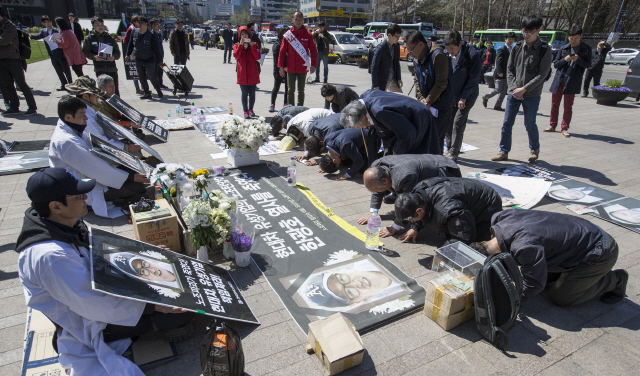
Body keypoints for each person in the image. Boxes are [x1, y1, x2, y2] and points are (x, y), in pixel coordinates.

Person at [16, 167, 195, 375]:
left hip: (97, 293)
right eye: (79, 195)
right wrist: (152, 306)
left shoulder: (61, 221)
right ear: (56, 206)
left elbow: (100, 246)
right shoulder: (51, 257)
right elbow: (93, 304)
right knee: (180, 312)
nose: (86, 197)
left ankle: (146, 322)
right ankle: (145, 329)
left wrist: (143, 252)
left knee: (172, 278)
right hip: (85, 320)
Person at [470, 210, 628, 307]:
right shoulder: (499, 218)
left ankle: (614, 280)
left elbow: (533, 285)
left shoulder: (524, 247)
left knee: (561, 297)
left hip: (599, 250)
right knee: (541, 275)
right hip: (580, 233)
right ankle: (571, 274)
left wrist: (508, 299)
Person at [49, 95, 149, 217]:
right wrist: (131, 177)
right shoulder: (66, 142)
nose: (86, 118)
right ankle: (97, 202)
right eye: (82, 115)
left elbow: (97, 149)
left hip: (94, 171)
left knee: (137, 168)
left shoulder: (71, 126)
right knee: (136, 186)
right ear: (69, 117)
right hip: (81, 183)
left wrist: (125, 160)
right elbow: (94, 168)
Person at [357, 154, 461, 241]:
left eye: (377, 189)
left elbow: (410, 203)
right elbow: (376, 191)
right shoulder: (375, 168)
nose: (376, 192)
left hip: (445, 170)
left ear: (385, 180)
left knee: (437, 206)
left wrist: (394, 228)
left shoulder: (404, 177)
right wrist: (373, 214)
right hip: (425, 166)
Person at [492, 15, 552, 163]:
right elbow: (510, 69)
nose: (526, 35)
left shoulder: (544, 49)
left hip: (531, 94)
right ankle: (503, 151)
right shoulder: (518, 47)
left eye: (530, 32)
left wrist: (524, 89)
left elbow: (542, 74)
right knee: (507, 123)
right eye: (524, 31)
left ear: (538, 30)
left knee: (530, 123)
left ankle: (534, 149)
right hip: (514, 93)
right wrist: (513, 88)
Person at [394, 177, 502, 244]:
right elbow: (420, 210)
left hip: (487, 203)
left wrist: (442, 255)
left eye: (412, 219)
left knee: (478, 246)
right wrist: (415, 227)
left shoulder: (448, 209)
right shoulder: (417, 194)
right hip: (463, 197)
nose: (411, 222)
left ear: (419, 210)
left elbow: (464, 236)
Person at [343, 89, 440, 155]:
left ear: (363, 117)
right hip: (407, 117)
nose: (357, 128)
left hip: (419, 117)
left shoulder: (380, 112)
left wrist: (398, 150)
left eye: (356, 125)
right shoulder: (364, 98)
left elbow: (408, 133)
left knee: (419, 152)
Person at [65, 76, 142, 153]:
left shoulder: (89, 110)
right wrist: (126, 147)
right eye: (95, 94)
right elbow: (100, 141)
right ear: (85, 96)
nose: (97, 97)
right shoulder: (86, 117)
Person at [406, 31, 454, 154]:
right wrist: (422, 98)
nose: (410, 54)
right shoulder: (418, 58)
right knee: (424, 139)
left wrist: (428, 100)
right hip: (425, 104)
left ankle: (437, 168)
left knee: (436, 141)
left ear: (421, 44)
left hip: (440, 106)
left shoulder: (438, 56)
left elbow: (441, 83)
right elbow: (417, 79)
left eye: (411, 50)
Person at [545, 24, 591, 138]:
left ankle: (564, 128)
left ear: (581, 36)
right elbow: (555, 64)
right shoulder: (563, 48)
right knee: (554, 104)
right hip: (559, 80)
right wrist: (565, 59)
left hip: (572, 81)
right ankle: (552, 125)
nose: (573, 41)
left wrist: (578, 59)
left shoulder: (586, 49)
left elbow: (588, 64)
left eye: (576, 38)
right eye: (571, 38)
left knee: (568, 106)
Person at [442, 30, 481, 161]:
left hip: (468, 95)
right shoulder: (446, 55)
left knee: (458, 122)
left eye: (452, 49)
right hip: (452, 94)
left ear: (459, 44)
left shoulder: (472, 54)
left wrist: (464, 97)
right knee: (448, 121)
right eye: (448, 49)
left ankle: (454, 152)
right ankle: (448, 147)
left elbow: (473, 79)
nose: (450, 52)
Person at [0, 5, 37, 116]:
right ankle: (14, 106)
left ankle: (32, 107)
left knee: (21, 84)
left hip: (13, 59)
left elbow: (3, 41)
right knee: (7, 85)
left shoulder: (9, 25)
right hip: (2, 60)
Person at [306, 127, 380, 181]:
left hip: (372, 140)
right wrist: (325, 165)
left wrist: (346, 175)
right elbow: (332, 155)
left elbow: (359, 162)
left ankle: (382, 156)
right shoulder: (327, 142)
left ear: (334, 160)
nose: (339, 166)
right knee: (346, 162)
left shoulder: (345, 145)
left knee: (365, 168)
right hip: (357, 142)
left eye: (337, 165)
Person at [278, 11, 317, 106]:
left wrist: (313, 65)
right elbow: (282, 52)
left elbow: (313, 51)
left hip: (302, 68)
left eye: (300, 19)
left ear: (303, 20)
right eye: (296, 19)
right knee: (290, 90)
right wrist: (281, 67)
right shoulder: (288, 35)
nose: (298, 21)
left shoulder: (308, 34)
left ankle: (300, 109)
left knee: (301, 91)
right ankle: (291, 109)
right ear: (292, 20)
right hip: (290, 67)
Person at [31, 15, 72, 92]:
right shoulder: (43, 31)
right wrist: (29, 36)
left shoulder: (57, 30)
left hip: (60, 53)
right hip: (52, 54)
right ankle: (63, 84)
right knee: (58, 70)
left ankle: (70, 85)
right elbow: (38, 36)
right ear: (43, 23)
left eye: (49, 22)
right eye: (46, 22)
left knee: (66, 70)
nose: (49, 24)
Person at [82, 17, 121, 97]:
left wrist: (113, 57)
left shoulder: (110, 38)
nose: (100, 27)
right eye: (98, 25)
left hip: (111, 68)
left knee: (114, 90)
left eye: (102, 25)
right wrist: (94, 57)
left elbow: (118, 53)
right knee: (103, 91)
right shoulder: (89, 38)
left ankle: (117, 107)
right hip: (100, 68)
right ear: (93, 25)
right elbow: (85, 52)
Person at [126, 16, 163, 100]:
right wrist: (127, 54)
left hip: (149, 59)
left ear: (146, 24)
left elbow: (156, 49)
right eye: (138, 23)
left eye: (141, 23)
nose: (139, 24)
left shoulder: (151, 35)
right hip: (138, 59)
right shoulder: (134, 32)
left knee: (151, 76)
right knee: (141, 77)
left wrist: (160, 61)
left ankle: (158, 90)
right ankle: (146, 92)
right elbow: (130, 44)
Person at [483, 32, 516, 111]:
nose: (510, 41)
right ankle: (486, 96)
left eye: (512, 39)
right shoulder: (502, 49)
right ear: (505, 39)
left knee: (504, 91)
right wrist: (499, 71)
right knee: (498, 89)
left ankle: (498, 105)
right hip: (499, 74)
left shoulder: (513, 49)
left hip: (507, 74)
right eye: (509, 39)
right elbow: (498, 61)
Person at [234, 26, 261, 119]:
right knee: (244, 93)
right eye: (242, 34)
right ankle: (245, 110)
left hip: (253, 73)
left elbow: (258, 57)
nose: (244, 36)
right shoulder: (237, 45)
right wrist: (241, 45)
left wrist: (252, 45)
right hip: (242, 74)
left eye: (245, 34)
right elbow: (236, 56)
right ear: (239, 36)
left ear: (249, 35)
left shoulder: (254, 44)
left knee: (252, 94)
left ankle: (251, 109)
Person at [370, 23, 403, 93]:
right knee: (380, 100)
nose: (398, 39)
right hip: (383, 80)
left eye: (399, 37)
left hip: (393, 79)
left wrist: (399, 78)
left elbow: (397, 63)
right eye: (396, 36)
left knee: (400, 99)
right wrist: (375, 85)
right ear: (389, 35)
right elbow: (374, 68)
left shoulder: (396, 46)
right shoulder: (381, 48)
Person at [270, 26, 289, 112]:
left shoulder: (290, 44)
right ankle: (272, 104)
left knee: (287, 88)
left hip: (288, 69)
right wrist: (280, 68)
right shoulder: (277, 44)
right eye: (284, 32)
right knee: (276, 87)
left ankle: (285, 104)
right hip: (278, 69)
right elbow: (276, 58)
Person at [123, 15, 143, 95]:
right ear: (134, 22)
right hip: (133, 53)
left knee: (141, 70)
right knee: (135, 71)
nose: (139, 23)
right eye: (138, 22)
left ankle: (142, 87)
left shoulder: (138, 29)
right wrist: (131, 50)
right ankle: (137, 88)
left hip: (139, 52)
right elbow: (126, 40)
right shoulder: (131, 29)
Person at [150, 19, 167, 89]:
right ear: (153, 25)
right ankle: (156, 85)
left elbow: (160, 45)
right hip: (154, 56)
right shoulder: (151, 34)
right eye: (157, 24)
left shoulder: (159, 34)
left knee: (160, 70)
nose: (158, 26)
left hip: (160, 55)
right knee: (155, 71)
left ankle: (160, 83)